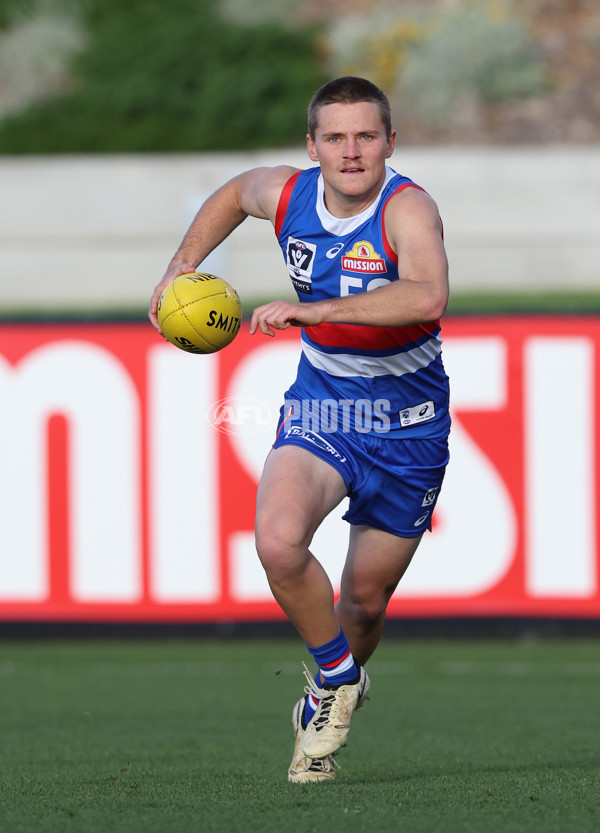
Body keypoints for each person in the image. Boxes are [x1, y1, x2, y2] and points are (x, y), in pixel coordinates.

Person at [149, 76, 451, 783]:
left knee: (363, 603)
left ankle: (327, 685)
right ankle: (341, 680)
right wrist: (180, 267)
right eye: (336, 138)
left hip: (408, 423)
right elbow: (231, 193)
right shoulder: (288, 194)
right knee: (278, 543)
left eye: (366, 137)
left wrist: (315, 312)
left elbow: (427, 293)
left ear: (389, 143)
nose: (351, 153)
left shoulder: (408, 208)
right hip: (323, 406)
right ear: (312, 146)